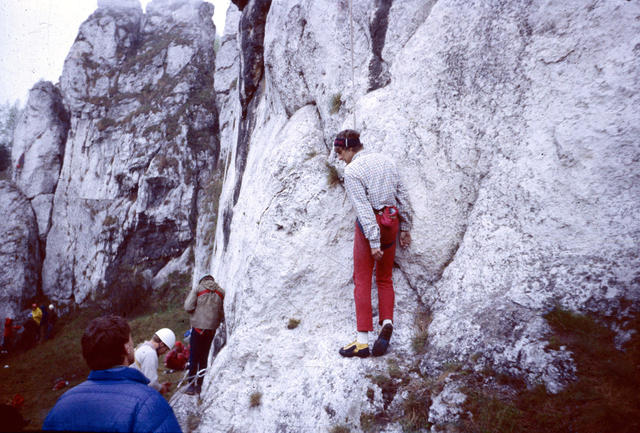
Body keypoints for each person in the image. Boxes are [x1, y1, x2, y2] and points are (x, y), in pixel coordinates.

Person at [334, 129, 413, 358]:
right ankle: (387, 322)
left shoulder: (353, 171)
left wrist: (373, 242)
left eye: (340, 152)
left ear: (350, 148)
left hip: (372, 228)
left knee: (362, 280)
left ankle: (362, 342)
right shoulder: (386, 161)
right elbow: (402, 196)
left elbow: (364, 209)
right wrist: (405, 227)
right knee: (385, 277)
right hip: (392, 221)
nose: (339, 157)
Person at [42, 315, 181, 432]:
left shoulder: (61, 405)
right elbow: (152, 382)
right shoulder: (150, 404)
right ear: (126, 348)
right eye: (130, 340)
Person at [183, 275, 225, 395]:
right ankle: (199, 386)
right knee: (204, 357)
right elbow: (221, 313)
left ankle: (191, 386)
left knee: (193, 357)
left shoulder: (198, 289)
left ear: (203, 281)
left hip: (198, 329)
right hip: (211, 331)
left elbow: (188, 306)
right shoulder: (221, 292)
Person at [133, 328, 176, 394]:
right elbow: (151, 384)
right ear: (161, 344)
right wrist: (162, 388)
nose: (164, 353)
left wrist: (160, 385)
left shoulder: (141, 346)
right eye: (166, 349)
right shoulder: (150, 354)